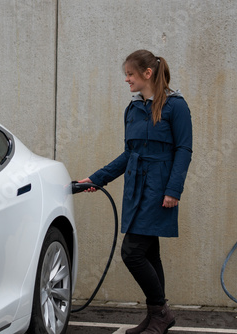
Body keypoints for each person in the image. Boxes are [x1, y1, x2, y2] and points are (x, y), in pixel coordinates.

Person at [78, 49, 192, 334]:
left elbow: (184, 150)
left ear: (147, 73)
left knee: (132, 252)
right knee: (150, 253)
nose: (126, 80)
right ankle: (156, 316)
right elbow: (129, 154)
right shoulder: (133, 109)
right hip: (135, 188)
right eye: (126, 75)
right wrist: (96, 178)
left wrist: (173, 188)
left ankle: (161, 313)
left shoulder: (176, 106)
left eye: (130, 74)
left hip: (159, 189)